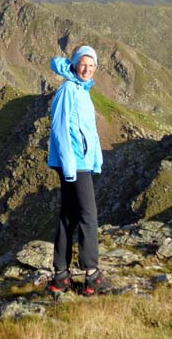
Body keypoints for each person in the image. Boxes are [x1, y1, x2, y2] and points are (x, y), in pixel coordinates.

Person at [46, 44, 107, 296]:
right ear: (74, 63)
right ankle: (92, 275)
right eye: (83, 64)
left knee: (69, 216)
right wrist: (71, 165)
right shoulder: (69, 90)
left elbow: (87, 131)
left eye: (92, 66)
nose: (87, 69)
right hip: (74, 164)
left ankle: (61, 276)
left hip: (80, 162)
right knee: (88, 216)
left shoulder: (82, 90)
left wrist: (96, 159)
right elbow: (60, 130)